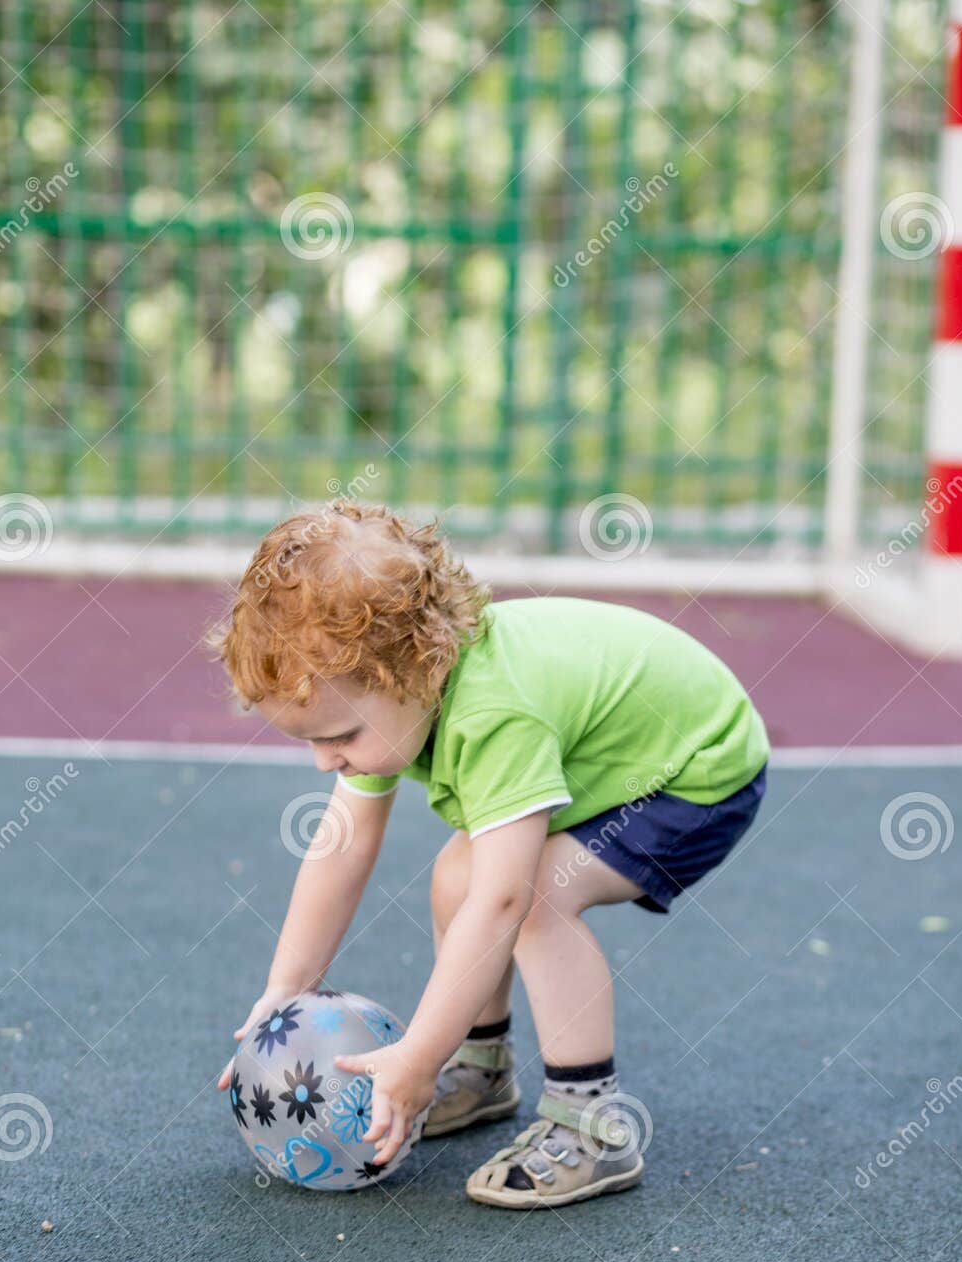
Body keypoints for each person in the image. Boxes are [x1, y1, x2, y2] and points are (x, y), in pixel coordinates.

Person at [211, 499, 769, 1209]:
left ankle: (592, 1126)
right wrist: (282, 994)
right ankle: (481, 1070)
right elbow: (339, 849)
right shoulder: (394, 694)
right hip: (624, 755)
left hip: (698, 770)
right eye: (311, 742)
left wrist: (416, 1056)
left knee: (531, 895)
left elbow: (503, 903)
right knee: (458, 871)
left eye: (340, 737)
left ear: (410, 676)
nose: (326, 762)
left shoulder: (494, 713)